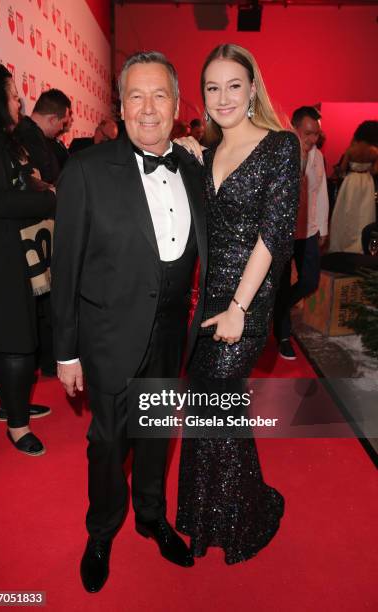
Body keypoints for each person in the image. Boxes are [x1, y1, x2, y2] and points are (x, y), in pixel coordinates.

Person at [51, 51, 207, 592]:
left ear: (176, 104)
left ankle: (151, 516)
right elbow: (64, 267)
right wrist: (66, 351)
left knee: (157, 435)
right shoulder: (87, 170)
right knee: (108, 443)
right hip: (108, 334)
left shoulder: (193, 169)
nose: (147, 108)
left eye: (159, 95)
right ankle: (102, 529)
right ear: (120, 105)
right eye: (135, 96)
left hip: (171, 332)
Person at [174, 44, 300, 564]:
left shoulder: (280, 147)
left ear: (252, 90)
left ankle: (241, 517)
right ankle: (210, 511)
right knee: (207, 402)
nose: (223, 97)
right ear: (202, 96)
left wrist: (240, 309)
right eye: (212, 87)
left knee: (217, 397)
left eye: (233, 85)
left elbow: (274, 235)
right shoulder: (205, 153)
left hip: (247, 297)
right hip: (209, 298)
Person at [0, 65, 56, 455]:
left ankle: (11, 406)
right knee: (16, 342)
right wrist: (50, 198)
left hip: (1, 252)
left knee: (7, 341)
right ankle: (18, 425)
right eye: (11, 93)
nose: (18, 100)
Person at [15, 89, 72, 378]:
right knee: (43, 298)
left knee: (48, 297)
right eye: (62, 123)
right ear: (53, 117)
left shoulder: (41, 139)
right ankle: (47, 361)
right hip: (34, 230)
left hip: (44, 228)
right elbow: (34, 181)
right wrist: (50, 188)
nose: (63, 129)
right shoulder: (24, 137)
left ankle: (50, 359)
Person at [273, 106, 329, 359]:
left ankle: (277, 306)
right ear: (293, 128)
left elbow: (320, 194)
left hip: (309, 231)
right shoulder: (282, 154)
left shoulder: (318, 156)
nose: (312, 139)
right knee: (283, 282)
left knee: (310, 281)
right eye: (307, 133)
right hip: (285, 233)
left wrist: (323, 228)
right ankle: (283, 335)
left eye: (316, 134)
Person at [329, 120, 378, 254]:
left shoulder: (351, 150)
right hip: (367, 183)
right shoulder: (374, 151)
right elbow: (375, 171)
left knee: (347, 212)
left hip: (351, 182)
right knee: (365, 213)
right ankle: (361, 246)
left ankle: (344, 243)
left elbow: (343, 169)